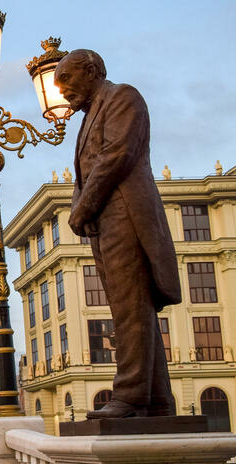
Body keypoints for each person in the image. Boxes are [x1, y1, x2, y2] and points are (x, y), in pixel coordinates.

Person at [55, 49, 181, 418]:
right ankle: (157, 399)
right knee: (131, 305)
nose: (63, 92)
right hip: (105, 217)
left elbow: (116, 156)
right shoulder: (92, 112)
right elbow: (87, 168)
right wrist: (83, 209)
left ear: (91, 71)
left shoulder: (123, 97)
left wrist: (83, 207)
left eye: (68, 82)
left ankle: (128, 397)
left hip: (126, 210)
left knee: (130, 305)